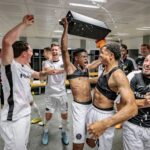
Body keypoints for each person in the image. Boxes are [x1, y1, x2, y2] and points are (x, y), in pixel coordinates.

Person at [0, 15, 49, 150]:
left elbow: (39, 75)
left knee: (23, 146)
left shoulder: (25, 67)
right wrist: (23, 24)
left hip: (25, 113)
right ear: (24, 53)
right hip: (14, 116)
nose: (32, 52)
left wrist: (48, 73)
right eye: (30, 49)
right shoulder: (10, 64)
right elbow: (6, 42)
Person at [85, 42, 138, 150]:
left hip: (104, 115)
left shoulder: (118, 74)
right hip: (93, 109)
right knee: (90, 140)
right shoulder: (106, 68)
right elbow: (101, 81)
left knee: (103, 147)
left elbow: (132, 108)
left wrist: (104, 124)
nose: (100, 56)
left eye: (102, 53)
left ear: (111, 56)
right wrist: (84, 80)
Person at [61, 18, 101, 150]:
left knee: (91, 142)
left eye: (86, 56)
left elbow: (100, 60)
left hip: (91, 106)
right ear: (76, 58)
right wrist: (66, 28)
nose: (86, 58)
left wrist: (104, 45)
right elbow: (64, 50)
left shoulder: (87, 69)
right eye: (83, 56)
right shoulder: (71, 68)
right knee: (79, 144)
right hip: (79, 108)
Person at [41, 43, 69, 145]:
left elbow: (68, 69)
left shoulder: (64, 61)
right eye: (53, 50)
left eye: (56, 50)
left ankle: (64, 132)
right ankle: (45, 132)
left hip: (62, 93)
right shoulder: (46, 62)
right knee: (48, 115)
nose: (54, 51)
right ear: (51, 51)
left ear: (60, 51)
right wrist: (62, 70)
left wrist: (59, 70)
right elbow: (49, 71)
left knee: (65, 115)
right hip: (50, 93)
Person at [122, 54, 150, 150]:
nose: (147, 64)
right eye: (146, 60)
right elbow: (122, 104)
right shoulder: (132, 76)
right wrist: (144, 102)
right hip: (132, 125)